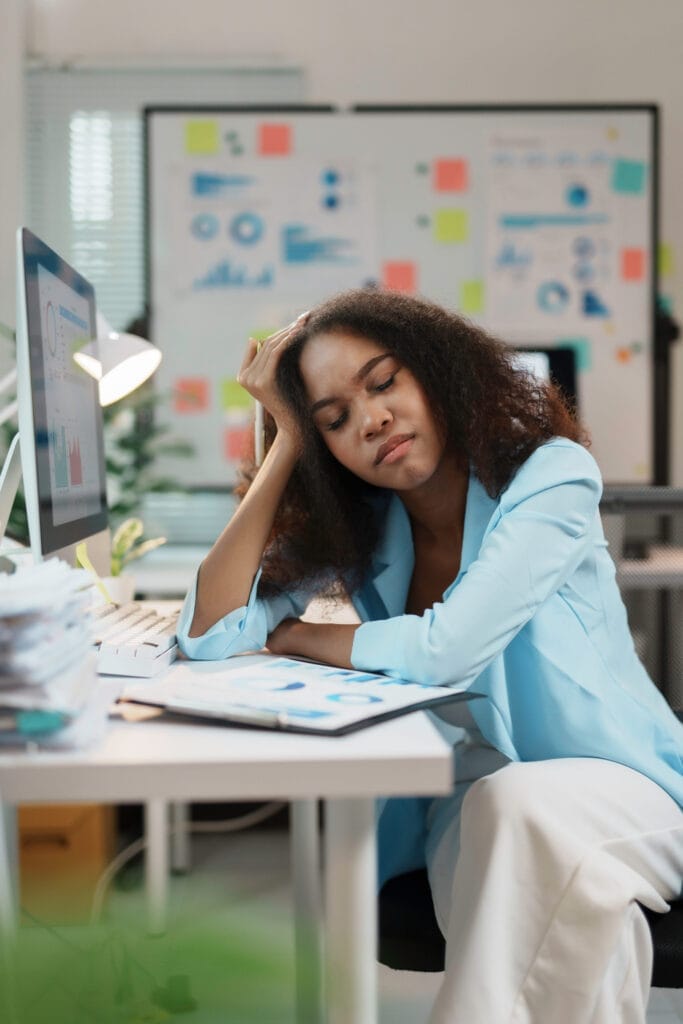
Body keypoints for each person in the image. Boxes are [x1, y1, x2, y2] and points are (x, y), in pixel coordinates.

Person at [177, 289, 683, 1024]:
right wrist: (284, 441)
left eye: (383, 383)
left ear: (435, 372)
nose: (371, 419)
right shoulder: (369, 526)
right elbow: (209, 631)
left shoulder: (551, 474)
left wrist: (311, 637)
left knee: (524, 817)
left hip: (626, 787)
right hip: (471, 810)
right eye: (334, 420)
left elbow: (451, 646)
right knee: (561, 880)